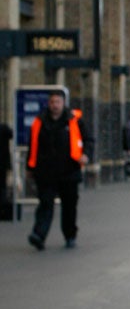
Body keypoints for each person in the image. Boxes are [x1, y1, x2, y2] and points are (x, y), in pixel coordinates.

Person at [28, 89, 83, 249]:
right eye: (52, 102)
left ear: (63, 103)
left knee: (69, 206)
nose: (54, 105)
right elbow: (33, 145)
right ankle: (39, 235)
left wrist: (86, 154)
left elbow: (87, 139)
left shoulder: (74, 120)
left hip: (69, 170)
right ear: (48, 103)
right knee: (45, 204)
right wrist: (30, 167)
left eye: (57, 102)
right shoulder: (40, 121)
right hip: (46, 171)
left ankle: (70, 235)